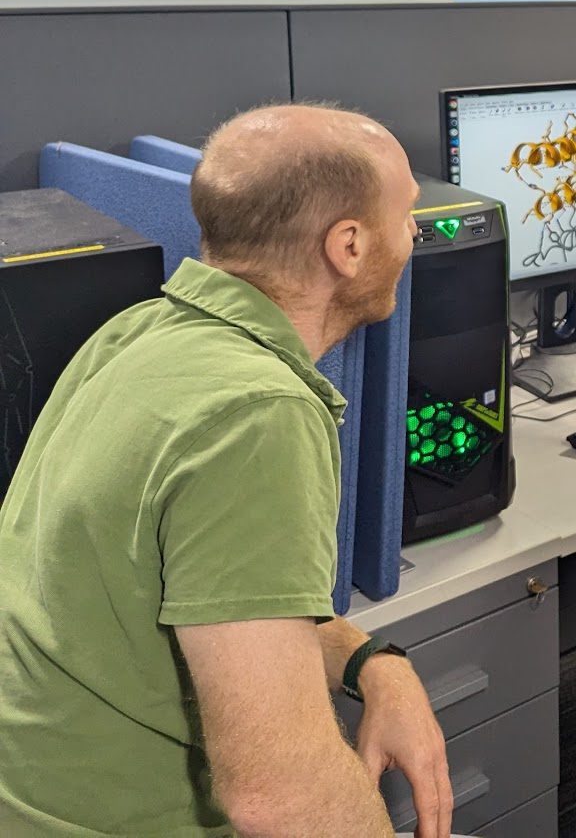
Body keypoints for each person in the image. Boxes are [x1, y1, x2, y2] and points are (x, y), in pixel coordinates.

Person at [0, 105, 452, 837]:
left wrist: (372, 662)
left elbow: (214, 592)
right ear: (349, 245)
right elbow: (280, 797)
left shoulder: (140, 332)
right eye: (408, 215)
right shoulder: (256, 415)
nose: (415, 235)